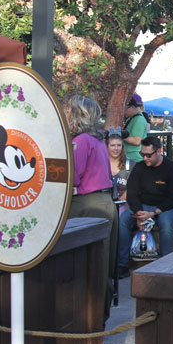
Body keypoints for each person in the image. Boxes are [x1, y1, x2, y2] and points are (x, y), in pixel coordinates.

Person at [65, 95, 118, 318]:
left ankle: (86, 315)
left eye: (68, 110)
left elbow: (72, 178)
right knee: (104, 264)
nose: (66, 114)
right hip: (105, 203)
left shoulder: (82, 141)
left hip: (87, 205)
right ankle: (100, 314)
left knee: (84, 264)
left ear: (77, 114)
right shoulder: (98, 140)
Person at [117, 135, 173, 278]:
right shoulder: (140, 167)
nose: (145, 158)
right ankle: (121, 265)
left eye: (148, 155)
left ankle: (165, 266)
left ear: (159, 152)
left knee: (166, 223)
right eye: (143, 154)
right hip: (143, 206)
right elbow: (132, 192)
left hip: (167, 207)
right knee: (123, 221)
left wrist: (153, 213)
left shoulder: (172, 169)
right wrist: (138, 213)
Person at [107, 131, 130, 211]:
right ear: (107, 147)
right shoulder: (101, 165)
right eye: (112, 145)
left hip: (124, 205)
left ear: (122, 147)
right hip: (105, 205)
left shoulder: (130, 164)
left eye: (119, 145)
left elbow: (134, 186)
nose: (116, 148)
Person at [123, 93, 149, 163]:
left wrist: (119, 134)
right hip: (131, 158)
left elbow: (136, 141)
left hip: (134, 159)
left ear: (133, 107)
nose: (124, 111)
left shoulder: (139, 120)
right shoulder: (133, 118)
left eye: (125, 108)